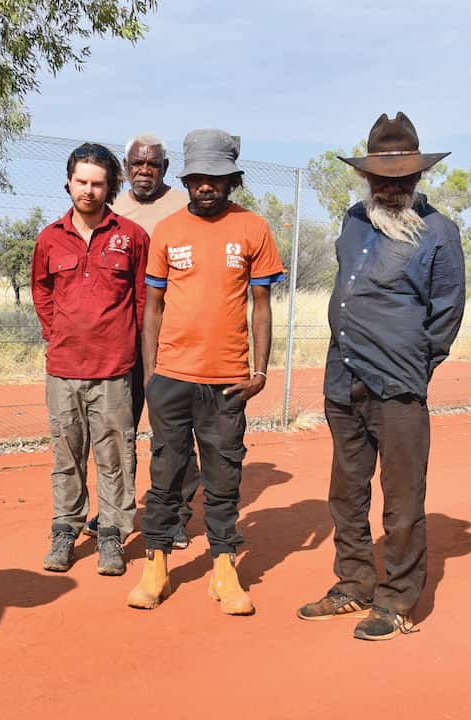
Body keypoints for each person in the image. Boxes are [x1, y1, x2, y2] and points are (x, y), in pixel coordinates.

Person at [297, 112, 465, 640]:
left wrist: (414, 360)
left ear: (418, 179)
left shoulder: (438, 231)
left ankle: (395, 601)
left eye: (403, 179)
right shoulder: (353, 220)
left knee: (402, 499)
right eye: (382, 178)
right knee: (346, 495)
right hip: (342, 379)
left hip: (398, 388)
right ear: (367, 178)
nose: (392, 188)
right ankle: (353, 584)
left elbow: (447, 313)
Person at [127, 129, 283, 615]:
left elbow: (261, 305)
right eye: (197, 178)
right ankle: (156, 566)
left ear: (232, 180)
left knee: (223, 476)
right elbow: (152, 306)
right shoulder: (168, 231)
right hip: (172, 376)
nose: (206, 187)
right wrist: (153, 374)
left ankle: (223, 569)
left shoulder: (253, 228)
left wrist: (260, 370)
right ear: (187, 179)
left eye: (216, 178)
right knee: (165, 472)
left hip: (229, 379)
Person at [30, 143, 148, 575]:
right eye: (81, 182)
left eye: (98, 183)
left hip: (115, 370)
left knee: (116, 456)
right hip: (63, 369)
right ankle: (65, 530)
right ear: (68, 183)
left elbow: (143, 298)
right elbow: (41, 290)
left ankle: (113, 536)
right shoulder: (49, 238)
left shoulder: (132, 237)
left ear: (110, 187)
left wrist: (129, 346)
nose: (89, 190)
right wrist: (56, 332)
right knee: (67, 455)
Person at [111, 132, 199, 549]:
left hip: (172, 340)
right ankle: (117, 508)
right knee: (117, 428)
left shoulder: (183, 207)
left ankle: (176, 514)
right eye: (136, 163)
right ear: (126, 166)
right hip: (121, 338)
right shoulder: (113, 206)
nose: (144, 171)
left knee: (171, 432)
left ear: (165, 168)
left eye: (153, 164)